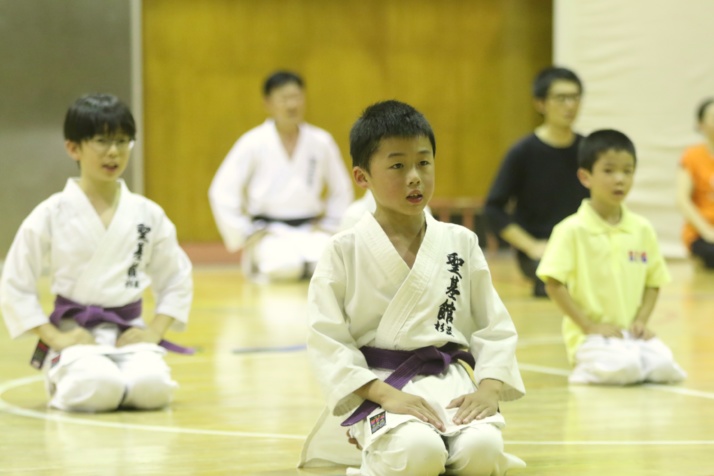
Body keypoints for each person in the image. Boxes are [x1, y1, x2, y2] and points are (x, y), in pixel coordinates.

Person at [300, 100, 526, 476]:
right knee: (419, 453)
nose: (414, 177)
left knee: (482, 450)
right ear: (362, 177)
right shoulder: (344, 250)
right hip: (380, 386)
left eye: (423, 162)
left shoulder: (460, 242)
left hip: (448, 382)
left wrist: (488, 388)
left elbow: (493, 326)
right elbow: (328, 340)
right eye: (397, 166)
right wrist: (384, 395)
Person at [0, 94, 193, 412]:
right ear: (73, 147)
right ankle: (60, 375)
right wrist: (55, 338)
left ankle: (101, 375)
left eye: (122, 141)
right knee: (98, 388)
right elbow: (15, 283)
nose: (114, 152)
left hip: (129, 333)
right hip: (76, 335)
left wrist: (155, 330)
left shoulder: (147, 213)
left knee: (153, 390)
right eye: (102, 140)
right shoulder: (52, 212)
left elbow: (176, 277)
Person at [536, 129, 686, 385]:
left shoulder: (642, 228)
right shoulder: (571, 229)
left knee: (666, 368)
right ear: (585, 177)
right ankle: (583, 370)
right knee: (625, 369)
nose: (620, 179)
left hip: (631, 335)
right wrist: (587, 326)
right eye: (609, 171)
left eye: (627, 171)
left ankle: (630, 357)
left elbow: (653, 282)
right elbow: (553, 283)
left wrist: (641, 321)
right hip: (591, 336)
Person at [208, 70, 353, 282]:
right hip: (269, 233)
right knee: (285, 266)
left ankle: (304, 267)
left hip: (310, 231)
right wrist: (245, 232)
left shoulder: (321, 141)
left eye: (296, 97)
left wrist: (331, 224)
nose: (292, 105)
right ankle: (276, 264)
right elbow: (221, 190)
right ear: (268, 103)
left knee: (331, 266)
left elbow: (342, 189)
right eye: (284, 99)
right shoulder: (253, 142)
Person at [484, 66, 589, 297]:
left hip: (584, 249)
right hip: (542, 250)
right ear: (541, 103)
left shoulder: (588, 150)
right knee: (556, 282)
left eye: (575, 97)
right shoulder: (523, 152)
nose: (570, 105)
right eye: (561, 98)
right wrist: (531, 246)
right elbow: (493, 208)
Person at [676, 98, 714, 268]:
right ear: (700, 124)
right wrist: (708, 232)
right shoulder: (692, 156)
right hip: (702, 232)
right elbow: (682, 200)